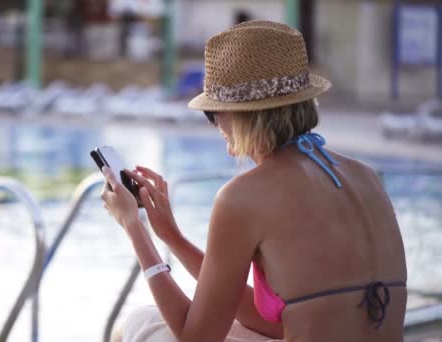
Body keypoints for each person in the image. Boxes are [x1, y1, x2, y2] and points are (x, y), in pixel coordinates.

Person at [100, 20, 407, 342]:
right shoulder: (365, 176)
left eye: (213, 112)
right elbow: (282, 320)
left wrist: (134, 227)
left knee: (140, 323)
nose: (215, 124)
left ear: (243, 114)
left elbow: (198, 338)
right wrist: (171, 236)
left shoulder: (244, 196)